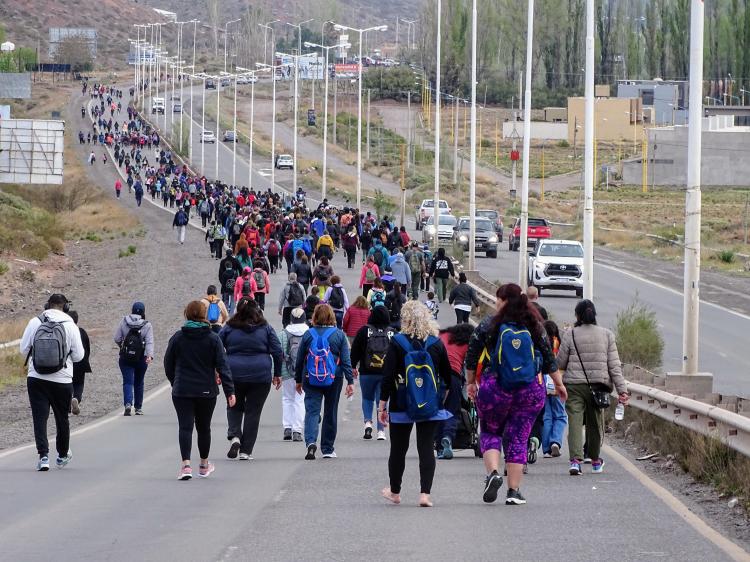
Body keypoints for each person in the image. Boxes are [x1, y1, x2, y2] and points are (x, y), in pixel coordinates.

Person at [465, 283, 566, 505]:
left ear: (504, 301)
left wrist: (471, 382)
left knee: (491, 431)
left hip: (495, 386)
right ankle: (513, 491)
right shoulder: (535, 325)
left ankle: (493, 473)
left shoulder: (489, 324)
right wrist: (559, 384)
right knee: (519, 438)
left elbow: (472, 354)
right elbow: (549, 357)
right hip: (528, 389)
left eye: (498, 299)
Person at [379, 301, 453, 508]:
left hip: (401, 402)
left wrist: (382, 406)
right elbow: (448, 376)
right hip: (429, 403)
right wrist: (440, 397)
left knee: (398, 449)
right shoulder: (436, 343)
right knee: (426, 447)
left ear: (405, 319)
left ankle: (395, 492)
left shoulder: (397, 343)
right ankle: (424, 495)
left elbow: (387, 376)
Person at [164, 300, 235, 480]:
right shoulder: (213, 338)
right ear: (204, 315)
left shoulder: (178, 337)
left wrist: (175, 381)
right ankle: (203, 465)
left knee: (185, 427)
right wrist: (230, 392)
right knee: (204, 428)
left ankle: (185, 465)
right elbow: (223, 366)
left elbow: (168, 364)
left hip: (182, 390)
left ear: (186, 314)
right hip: (206, 389)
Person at [557, 300, 628, 476]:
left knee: (574, 421)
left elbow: (560, 362)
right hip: (599, 386)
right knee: (595, 423)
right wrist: (622, 390)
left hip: (574, 385)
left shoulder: (570, 334)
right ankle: (595, 461)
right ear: (594, 314)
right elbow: (614, 366)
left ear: (577, 315)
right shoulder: (607, 335)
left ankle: (575, 461)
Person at [20, 294, 84, 471]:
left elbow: (23, 349)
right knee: (61, 418)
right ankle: (62, 455)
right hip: (62, 379)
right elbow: (79, 356)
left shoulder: (35, 322)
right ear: (65, 307)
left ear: (47, 305)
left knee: (39, 418)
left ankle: (43, 457)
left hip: (36, 378)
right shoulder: (70, 325)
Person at [219, 298, 282, 460]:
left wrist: (217, 370)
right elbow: (277, 351)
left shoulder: (229, 327)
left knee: (233, 405)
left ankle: (235, 436)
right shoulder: (266, 328)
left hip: (234, 373)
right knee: (253, 412)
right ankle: (246, 451)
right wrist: (277, 374)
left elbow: (217, 347)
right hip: (260, 375)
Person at [294, 304, 354, 460]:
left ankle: (311, 443)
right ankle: (327, 448)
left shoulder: (308, 334)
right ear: (331, 317)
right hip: (334, 377)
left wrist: (298, 380)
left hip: (311, 377)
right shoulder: (339, 335)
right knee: (330, 411)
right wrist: (350, 381)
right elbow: (346, 360)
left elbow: (300, 359)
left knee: (312, 411)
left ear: (315, 317)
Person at [351, 306, 394, 441]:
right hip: (385, 373)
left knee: (367, 398)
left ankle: (368, 423)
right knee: (381, 400)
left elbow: (355, 351)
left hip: (367, 372)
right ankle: (381, 430)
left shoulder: (364, 331)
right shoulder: (392, 332)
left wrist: (353, 366)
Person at [435, 323, 474, 460]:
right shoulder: (466, 343)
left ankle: (439, 447)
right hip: (453, 376)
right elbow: (470, 365)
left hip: (436, 377)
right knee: (452, 410)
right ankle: (448, 437)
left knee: (438, 411)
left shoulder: (441, 335)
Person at [114, 302, 155, 416]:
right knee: (139, 382)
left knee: (128, 381)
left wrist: (122, 346)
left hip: (126, 357)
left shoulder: (124, 321)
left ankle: (128, 403)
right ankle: (138, 407)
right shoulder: (147, 325)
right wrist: (149, 355)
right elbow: (149, 342)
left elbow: (117, 337)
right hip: (141, 357)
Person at [279, 307, 308, 442]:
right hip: (304, 371)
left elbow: (278, 354)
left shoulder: (283, 334)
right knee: (300, 399)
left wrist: (276, 373)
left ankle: (287, 428)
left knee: (287, 398)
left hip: (286, 371)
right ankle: (297, 430)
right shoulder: (309, 333)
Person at [542, 320, 567, 458]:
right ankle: (555, 441)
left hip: (543, 381)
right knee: (561, 415)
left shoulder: (541, 342)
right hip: (557, 381)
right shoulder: (559, 343)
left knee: (547, 416)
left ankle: (546, 449)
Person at [68, 311, 91, 416]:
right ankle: (76, 398)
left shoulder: (65, 331)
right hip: (81, 362)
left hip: (69, 363)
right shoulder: (82, 332)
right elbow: (88, 348)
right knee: (79, 383)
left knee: (68, 384)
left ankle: (67, 405)